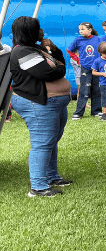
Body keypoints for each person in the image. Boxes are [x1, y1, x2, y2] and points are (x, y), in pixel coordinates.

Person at [8, 16, 73, 197]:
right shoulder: (22, 52)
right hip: (37, 103)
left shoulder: (36, 48)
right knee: (42, 143)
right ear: (29, 32)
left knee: (51, 140)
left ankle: (52, 176)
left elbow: (59, 63)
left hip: (53, 102)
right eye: (38, 29)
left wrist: (54, 50)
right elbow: (47, 73)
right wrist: (60, 68)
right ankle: (37, 187)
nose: (42, 32)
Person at [68, 22, 102, 120]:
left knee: (96, 89)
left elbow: (102, 50)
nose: (80, 31)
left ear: (90, 30)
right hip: (85, 68)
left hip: (96, 68)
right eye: (79, 29)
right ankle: (79, 113)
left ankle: (96, 111)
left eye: (83, 29)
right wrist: (77, 60)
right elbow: (69, 50)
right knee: (84, 90)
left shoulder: (97, 39)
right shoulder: (78, 40)